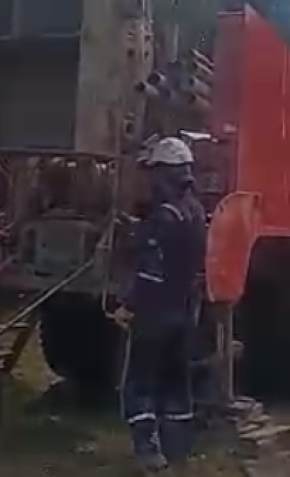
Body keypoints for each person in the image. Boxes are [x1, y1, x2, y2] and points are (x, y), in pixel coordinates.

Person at [109, 132, 207, 472]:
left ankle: (148, 451)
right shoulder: (196, 212)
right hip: (185, 313)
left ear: (164, 173)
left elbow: (151, 271)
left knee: (141, 382)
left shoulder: (162, 218)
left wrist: (129, 306)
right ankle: (178, 449)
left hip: (155, 316)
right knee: (176, 382)